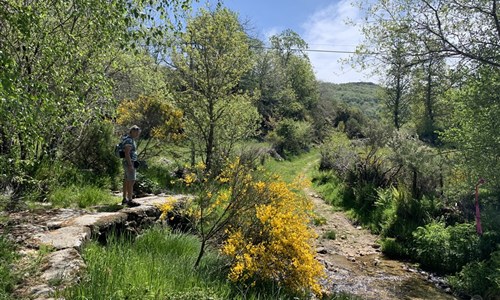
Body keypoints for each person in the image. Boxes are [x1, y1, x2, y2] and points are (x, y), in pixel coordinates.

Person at [122, 125, 141, 207]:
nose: (137, 134)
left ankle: (124, 199)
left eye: (138, 132)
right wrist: (130, 164)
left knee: (126, 180)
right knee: (131, 180)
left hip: (129, 162)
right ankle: (130, 200)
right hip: (129, 162)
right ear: (131, 131)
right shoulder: (129, 140)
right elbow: (127, 153)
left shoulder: (128, 138)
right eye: (135, 132)